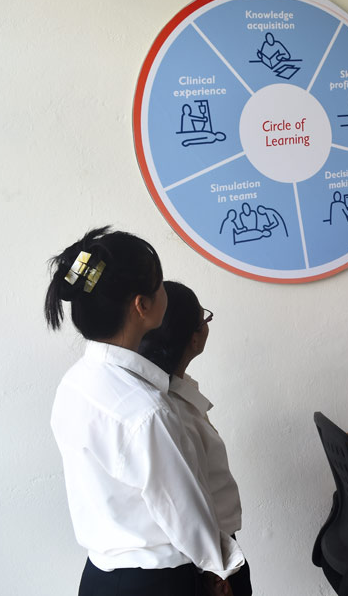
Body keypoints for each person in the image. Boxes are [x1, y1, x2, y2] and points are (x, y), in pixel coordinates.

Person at [45, 227, 243, 596]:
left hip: (100, 577)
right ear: (142, 306)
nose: (165, 290)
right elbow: (185, 511)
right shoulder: (147, 411)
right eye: (159, 285)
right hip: (157, 582)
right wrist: (218, 570)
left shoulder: (75, 382)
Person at [140, 282, 253, 596]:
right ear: (194, 337)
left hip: (216, 552)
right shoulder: (166, 412)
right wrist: (216, 569)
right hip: (210, 565)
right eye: (205, 319)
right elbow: (183, 506)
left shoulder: (176, 390)